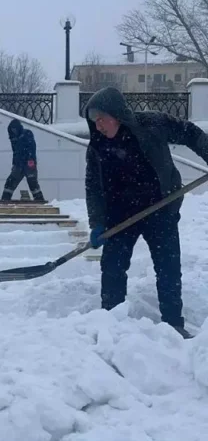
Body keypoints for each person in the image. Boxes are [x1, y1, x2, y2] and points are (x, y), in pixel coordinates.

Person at [85, 86, 208, 338]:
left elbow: (190, 133)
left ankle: (173, 325)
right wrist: (97, 223)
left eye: (101, 119)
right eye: (94, 122)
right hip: (120, 216)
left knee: (168, 267)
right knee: (112, 267)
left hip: (160, 207)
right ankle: (110, 322)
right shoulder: (96, 147)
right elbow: (93, 188)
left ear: (116, 114)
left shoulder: (152, 123)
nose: (98, 126)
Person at [1, 119, 45, 202]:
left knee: (33, 184)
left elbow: (32, 147)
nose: (13, 131)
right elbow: (15, 152)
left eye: (15, 128)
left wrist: (31, 160)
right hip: (18, 165)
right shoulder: (13, 138)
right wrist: (14, 164)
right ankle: (4, 201)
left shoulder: (27, 133)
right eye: (12, 129)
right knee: (10, 183)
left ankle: (40, 201)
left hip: (28, 164)